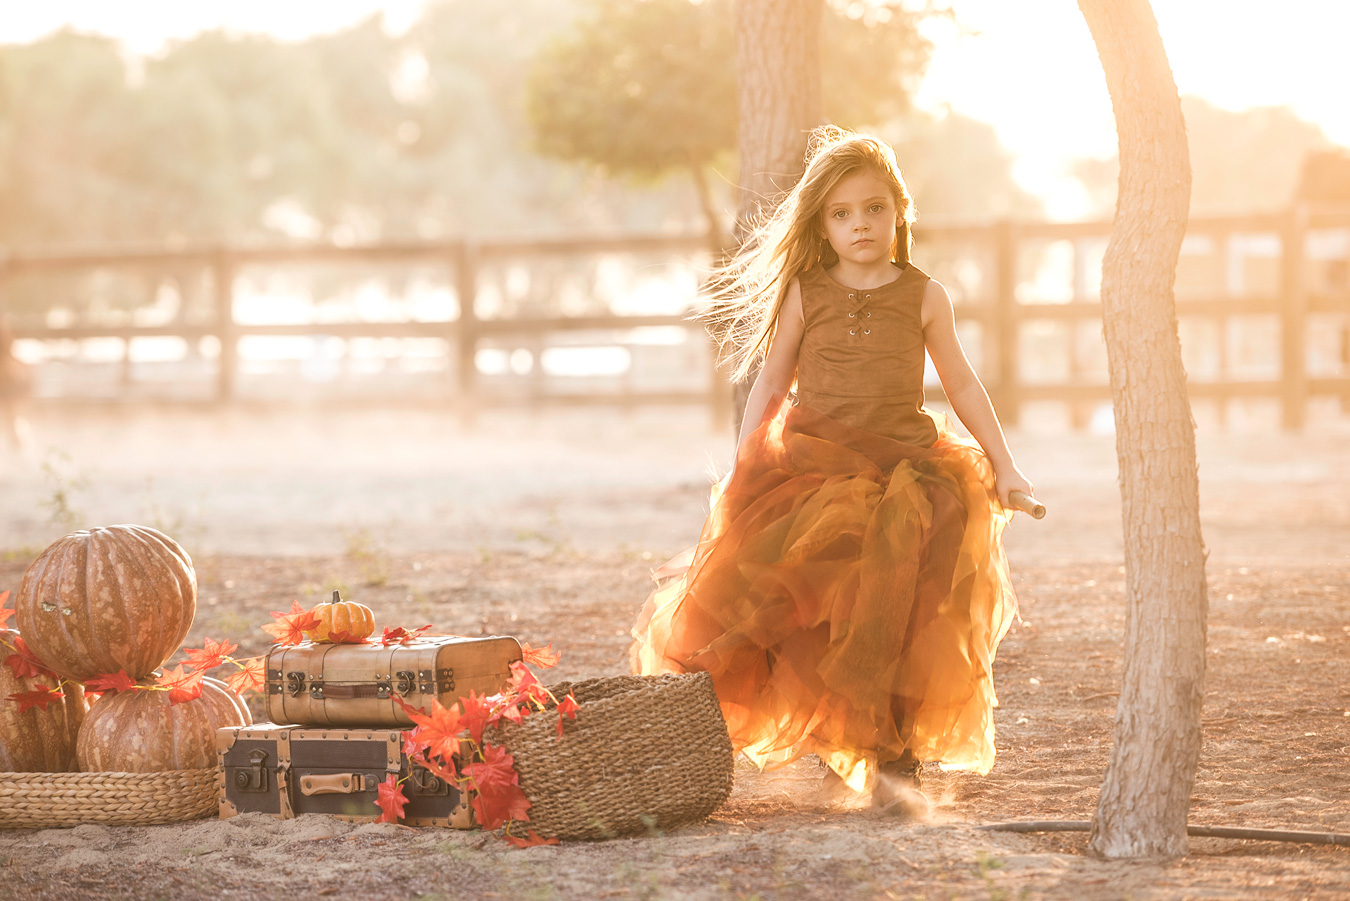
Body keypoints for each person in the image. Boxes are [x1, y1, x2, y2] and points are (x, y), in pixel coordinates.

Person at [630, 126, 1033, 815]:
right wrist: (745, 457)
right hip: (816, 465)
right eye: (842, 214)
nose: (860, 225)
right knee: (810, 598)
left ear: (899, 210)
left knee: (907, 606)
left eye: (873, 208)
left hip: (908, 469)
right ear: (823, 224)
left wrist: (1007, 464)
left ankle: (890, 745)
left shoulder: (925, 296)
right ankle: (840, 730)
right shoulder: (806, 294)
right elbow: (770, 384)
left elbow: (963, 385)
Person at [0, 314, 34, 453]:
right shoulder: (3, 327)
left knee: (11, 416)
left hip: (7, 378)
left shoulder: (3, 327)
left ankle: (17, 447)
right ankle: (17, 447)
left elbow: (7, 352)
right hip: (7, 377)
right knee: (11, 416)